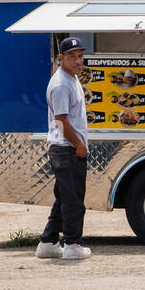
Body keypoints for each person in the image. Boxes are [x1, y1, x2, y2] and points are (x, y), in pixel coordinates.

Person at [37, 37, 92, 260]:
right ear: (61, 58)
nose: (78, 61)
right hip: (66, 148)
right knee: (73, 199)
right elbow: (60, 121)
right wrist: (79, 145)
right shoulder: (60, 84)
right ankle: (72, 244)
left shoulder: (72, 78)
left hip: (67, 147)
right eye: (72, 57)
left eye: (80, 56)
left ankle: (48, 242)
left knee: (64, 197)